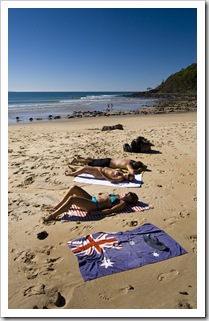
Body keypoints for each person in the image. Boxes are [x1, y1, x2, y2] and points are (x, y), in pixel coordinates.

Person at [43, 185, 138, 222]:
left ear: (131, 201)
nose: (129, 193)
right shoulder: (117, 195)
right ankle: (57, 207)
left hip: (94, 205)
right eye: (130, 193)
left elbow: (111, 210)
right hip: (91, 199)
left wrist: (97, 213)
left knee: (73, 199)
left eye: (131, 195)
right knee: (74, 188)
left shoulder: (122, 203)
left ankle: (53, 215)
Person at [70, 156, 146, 174]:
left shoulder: (130, 161)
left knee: (92, 160)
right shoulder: (128, 164)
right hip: (107, 163)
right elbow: (132, 172)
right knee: (90, 164)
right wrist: (140, 170)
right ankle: (77, 160)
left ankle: (78, 159)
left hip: (109, 159)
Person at [65, 165, 135, 183]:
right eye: (129, 175)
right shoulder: (122, 172)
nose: (127, 176)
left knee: (85, 168)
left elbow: (110, 180)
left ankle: (72, 173)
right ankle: (75, 169)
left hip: (100, 173)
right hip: (101, 169)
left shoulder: (120, 178)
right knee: (86, 170)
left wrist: (102, 173)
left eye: (128, 178)